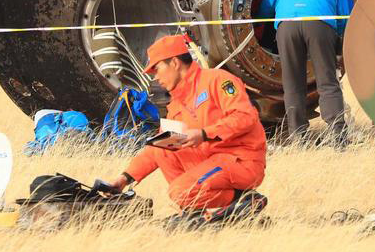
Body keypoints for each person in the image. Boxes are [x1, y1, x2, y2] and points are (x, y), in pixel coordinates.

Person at [106, 35, 267, 224]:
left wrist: (204, 134)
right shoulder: (176, 105)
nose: (155, 77)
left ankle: (244, 201)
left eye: (157, 69)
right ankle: (196, 212)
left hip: (241, 161)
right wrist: (124, 179)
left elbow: (246, 116)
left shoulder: (218, 80)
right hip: (211, 163)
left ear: (175, 63)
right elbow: (157, 148)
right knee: (161, 149)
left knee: (180, 192)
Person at [256, 0, 355, 143]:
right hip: (319, 25)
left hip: (286, 26)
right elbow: (345, 12)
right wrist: (338, 38)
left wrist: (258, 23)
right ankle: (338, 135)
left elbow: (268, 4)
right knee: (327, 81)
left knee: (292, 84)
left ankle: (298, 136)